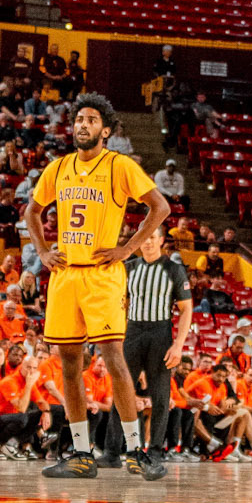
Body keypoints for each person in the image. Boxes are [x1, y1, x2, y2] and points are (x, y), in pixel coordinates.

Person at [22, 95, 170, 480]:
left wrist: (127, 249)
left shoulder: (120, 165)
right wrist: (41, 250)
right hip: (65, 274)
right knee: (69, 364)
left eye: (90, 120)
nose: (81, 125)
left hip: (103, 274)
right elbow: (32, 212)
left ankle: (135, 450)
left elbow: (160, 207)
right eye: (78, 119)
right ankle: (81, 454)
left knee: (114, 359)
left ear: (106, 130)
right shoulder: (58, 168)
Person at [122, 224, 192, 457]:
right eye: (144, 237)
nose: (148, 242)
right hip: (132, 331)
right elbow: (120, 303)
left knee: (161, 396)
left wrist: (178, 344)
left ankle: (155, 450)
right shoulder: (129, 267)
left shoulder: (173, 269)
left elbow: (186, 309)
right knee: (122, 392)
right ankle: (116, 449)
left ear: (162, 240)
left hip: (160, 332)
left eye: (153, 237)